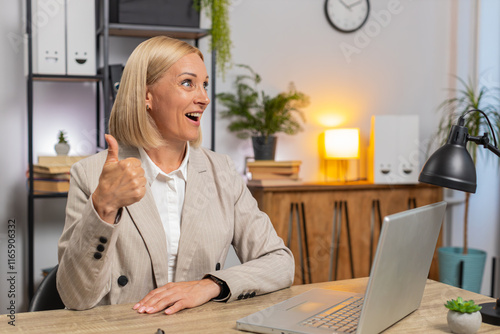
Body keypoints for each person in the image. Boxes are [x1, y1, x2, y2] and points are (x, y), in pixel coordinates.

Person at [56, 36, 294, 315]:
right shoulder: (91, 174)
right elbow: (75, 297)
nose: (204, 98)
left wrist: (210, 285)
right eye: (187, 83)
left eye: (205, 85)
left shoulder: (222, 171)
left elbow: (280, 262)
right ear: (147, 95)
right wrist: (104, 207)